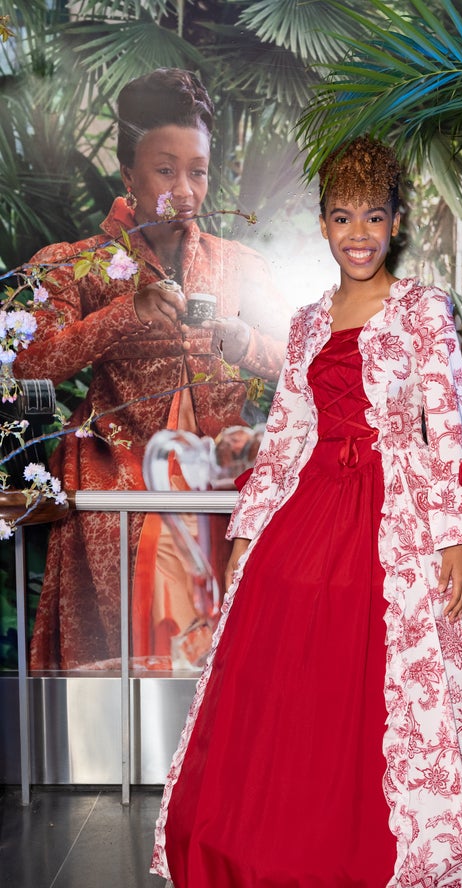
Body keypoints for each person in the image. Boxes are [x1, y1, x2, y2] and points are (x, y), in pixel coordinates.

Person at [151, 136, 462, 888]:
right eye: (342, 216)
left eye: (372, 217)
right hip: (311, 512)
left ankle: (418, 875)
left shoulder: (424, 311)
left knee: (400, 698)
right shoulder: (309, 321)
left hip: (405, 516)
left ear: (394, 222)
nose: (357, 233)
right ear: (322, 222)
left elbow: (449, 426)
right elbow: (288, 434)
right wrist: (248, 531)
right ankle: (275, 864)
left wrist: (455, 538)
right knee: (293, 697)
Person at [14, 68, 289, 672]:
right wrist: (122, 314)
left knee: (244, 648)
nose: (185, 191)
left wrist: (244, 343)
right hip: (126, 479)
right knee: (139, 652)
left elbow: (304, 360)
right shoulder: (77, 265)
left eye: (199, 171)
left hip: (226, 478)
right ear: (128, 174)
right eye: (166, 170)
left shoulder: (240, 265)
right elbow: (28, 361)